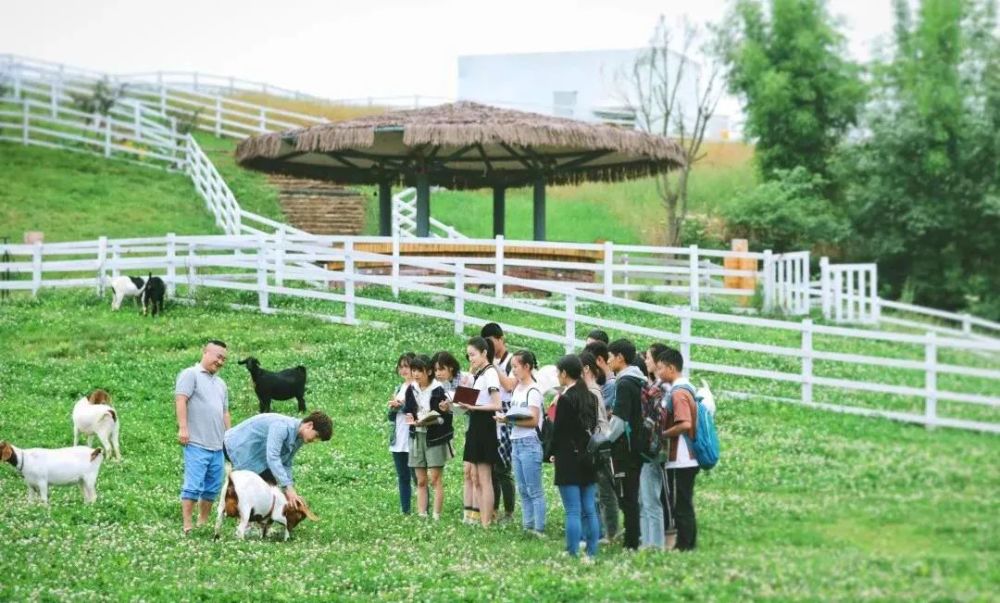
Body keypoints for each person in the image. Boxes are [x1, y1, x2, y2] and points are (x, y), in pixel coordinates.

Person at [175, 339, 232, 536]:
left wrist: (229, 437)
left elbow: (225, 412)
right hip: (197, 442)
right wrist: (183, 428)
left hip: (217, 445)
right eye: (218, 356)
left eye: (224, 359)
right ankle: (187, 524)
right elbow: (181, 399)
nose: (221, 362)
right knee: (193, 485)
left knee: (213, 486)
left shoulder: (221, 384)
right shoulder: (190, 375)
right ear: (206, 353)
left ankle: (203, 521)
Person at [223, 410, 333, 511]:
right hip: (236, 447)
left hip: (257, 456)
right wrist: (287, 488)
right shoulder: (281, 426)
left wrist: (289, 488)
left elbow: (286, 462)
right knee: (260, 488)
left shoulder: (299, 438)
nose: (314, 440)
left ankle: (259, 522)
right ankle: (245, 520)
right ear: (309, 425)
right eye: (316, 436)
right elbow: (273, 457)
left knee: (272, 489)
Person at [549, 354, 600, 560]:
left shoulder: (566, 399)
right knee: (589, 508)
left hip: (568, 458)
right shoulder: (591, 397)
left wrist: (551, 452)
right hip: (588, 456)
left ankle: (572, 551)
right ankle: (592, 551)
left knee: (572, 510)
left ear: (563, 373)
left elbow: (558, 431)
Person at [496, 350, 546, 536]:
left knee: (534, 489)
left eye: (516, 367)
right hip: (516, 441)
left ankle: (539, 528)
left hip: (529, 441)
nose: (514, 371)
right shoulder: (517, 389)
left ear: (527, 367)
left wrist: (509, 421)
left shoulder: (533, 391)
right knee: (523, 488)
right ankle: (527, 525)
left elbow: (533, 420)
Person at [656, 348, 700, 551]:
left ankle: (685, 545)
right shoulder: (687, 388)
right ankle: (687, 543)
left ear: (671, 368)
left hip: (682, 456)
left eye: (661, 368)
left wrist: (663, 434)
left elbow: (685, 423)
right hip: (687, 457)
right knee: (684, 501)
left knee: (681, 503)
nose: (658, 372)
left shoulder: (679, 393)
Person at [606, 338, 647, 551]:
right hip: (639, 444)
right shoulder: (640, 380)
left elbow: (620, 421)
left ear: (620, 358)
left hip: (626, 448)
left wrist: (605, 439)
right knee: (633, 495)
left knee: (627, 497)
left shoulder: (624, 382)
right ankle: (636, 538)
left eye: (610, 357)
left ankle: (632, 543)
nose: (608, 361)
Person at [457, 336, 502, 528]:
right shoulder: (479, 373)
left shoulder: (490, 373)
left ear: (484, 353)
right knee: (475, 476)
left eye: (473, 355)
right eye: (468, 356)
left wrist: (474, 407)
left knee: (484, 477)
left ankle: (486, 522)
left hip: (485, 424)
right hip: (475, 423)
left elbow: (496, 404)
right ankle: (478, 518)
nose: (471, 359)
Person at [403, 355, 454, 520]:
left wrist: (435, 417)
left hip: (435, 438)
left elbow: (445, 418)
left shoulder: (439, 390)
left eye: (420, 371)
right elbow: (409, 409)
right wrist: (411, 418)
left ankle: (436, 515)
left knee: (435, 478)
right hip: (416, 436)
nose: (416, 374)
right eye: (414, 370)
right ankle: (422, 514)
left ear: (429, 371)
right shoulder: (411, 389)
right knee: (421, 479)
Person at [433, 350, 478, 524]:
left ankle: (479, 512)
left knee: (475, 472)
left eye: (441, 369)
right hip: (468, 427)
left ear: (451, 367)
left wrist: (453, 405)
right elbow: (456, 408)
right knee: (467, 471)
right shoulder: (442, 384)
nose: (437, 373)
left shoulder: (466, 378)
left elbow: (469, 403)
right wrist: (447, 407)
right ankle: (469, 513)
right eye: (436, 370)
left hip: (479, 425)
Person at [579, 349, 616, 543]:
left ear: (586, 368)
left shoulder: (592, 392)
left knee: (595, 493)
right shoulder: (592, 390)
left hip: (595, 446)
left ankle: (598, 533)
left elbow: (591, 423)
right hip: (596, 444)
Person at [481, 322, 516, 522]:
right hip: (490, 418)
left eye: (492, 343)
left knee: (504, 468)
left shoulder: (512, 361)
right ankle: (492, 508)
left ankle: (509, 511)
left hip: (507, 418)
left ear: (501, 339)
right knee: (491, 466)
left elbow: (510, 385)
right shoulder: (486, 363)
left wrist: (492, 366)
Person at [387, 352, 416, 514]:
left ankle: (423, 508)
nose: (404, 370)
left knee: (418, 477)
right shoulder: (399, 388)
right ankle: (405, 510)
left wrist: (401, 406)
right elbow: (391, 415)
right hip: (398, 436)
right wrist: (393, 408)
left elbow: (416, 410)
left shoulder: (417, 387)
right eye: (401, 366)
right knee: (403, 476)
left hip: (412, 436)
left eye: (407, 366)